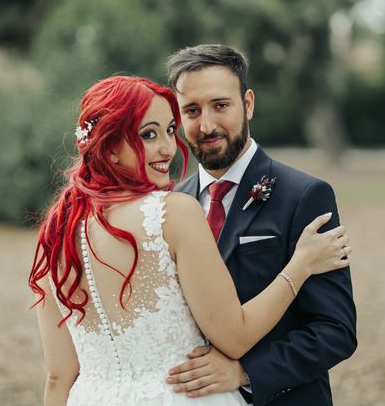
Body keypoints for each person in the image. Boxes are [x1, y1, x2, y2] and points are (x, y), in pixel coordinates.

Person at [29, 76, 351, 406]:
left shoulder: (55, 233)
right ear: (110, 147)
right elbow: (235, 337)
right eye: (148, 134)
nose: (169, 148)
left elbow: (59, 376)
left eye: (170, 129)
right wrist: (300, 266)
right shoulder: (175, 211)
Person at [166, 44, 357, 406]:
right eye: (192, 110)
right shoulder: (172, 204)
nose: (206, 125)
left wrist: (245, 372)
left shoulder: (306, 196)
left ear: (248, 104)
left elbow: (336, 331)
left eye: (220, 105)